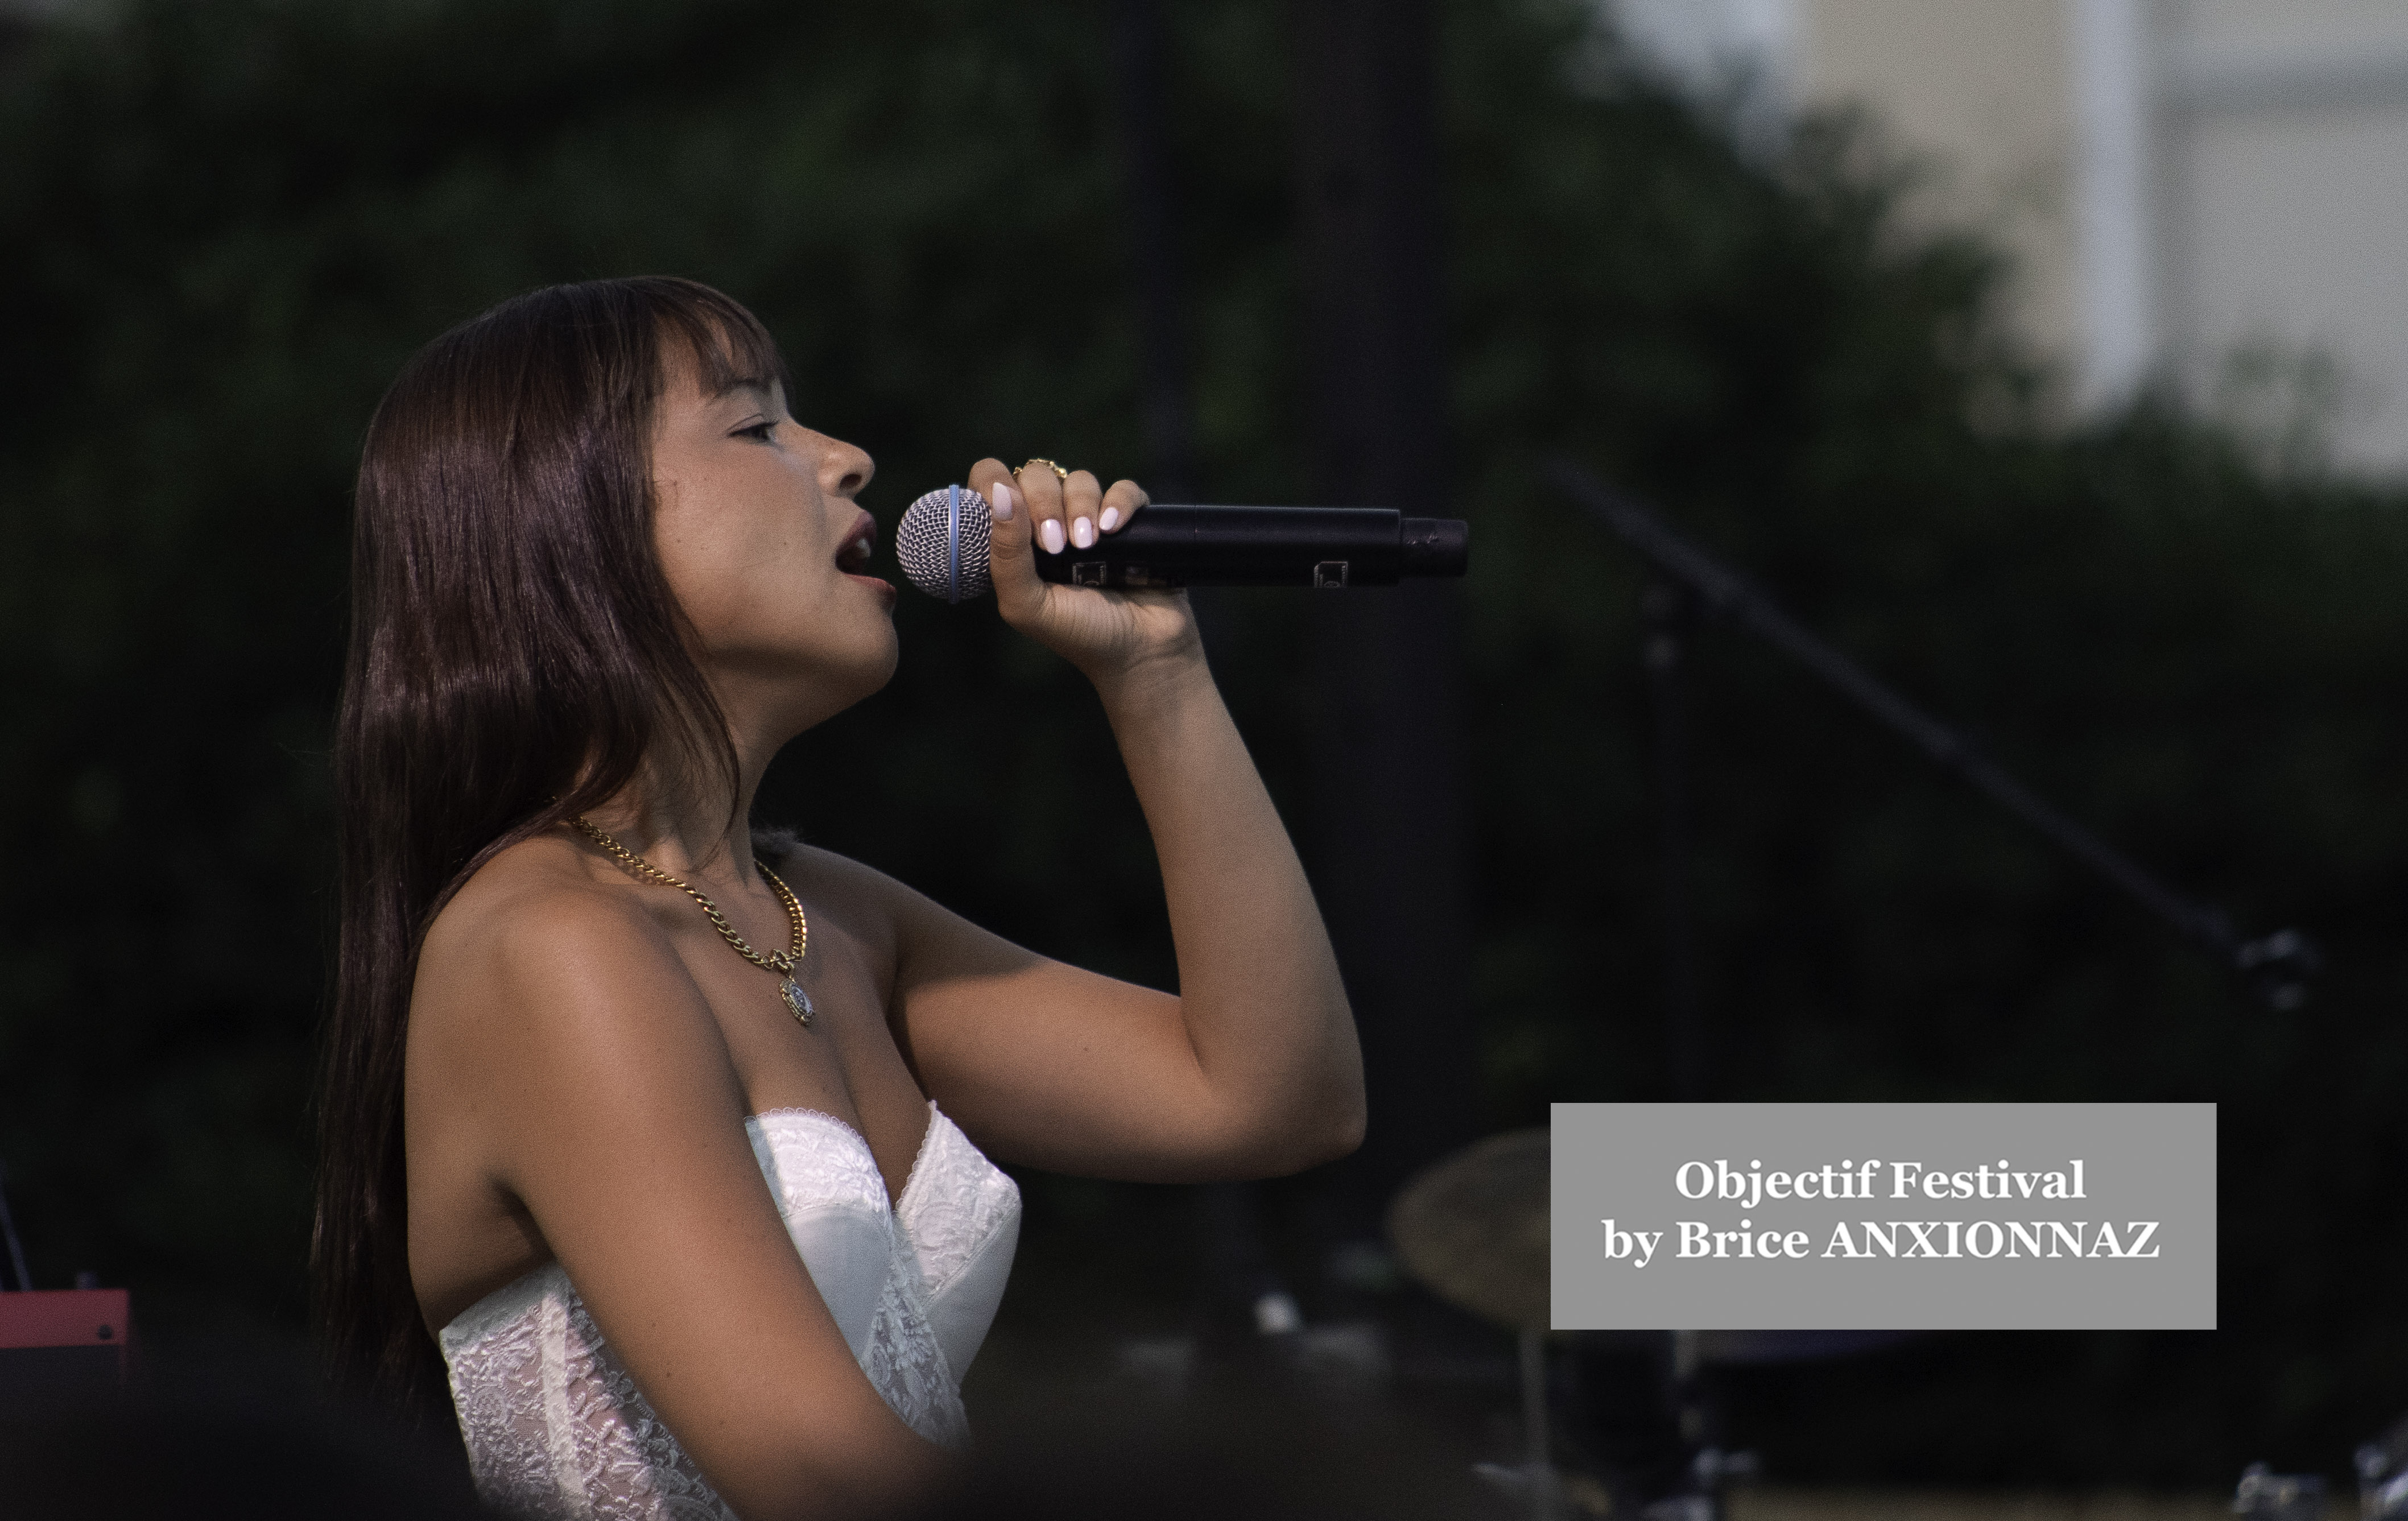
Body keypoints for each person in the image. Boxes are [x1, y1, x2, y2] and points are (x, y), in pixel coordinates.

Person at [312, 277, 1366, 1520]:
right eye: (756, 427)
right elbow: (825, 1476)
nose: (850, 459)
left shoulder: (829, 919)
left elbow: (1273, 1097)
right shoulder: (549, 946)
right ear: (569, 520)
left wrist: (1158, 675)